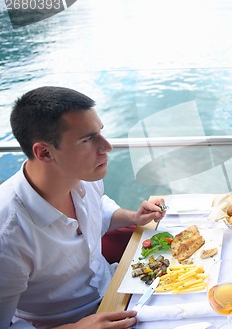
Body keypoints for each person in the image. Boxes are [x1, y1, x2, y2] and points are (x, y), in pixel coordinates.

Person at [0, 86, 167, 329]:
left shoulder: (84, 178)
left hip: (120, 290)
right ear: (45, 152)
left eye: (100, 133)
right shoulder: (8, 234)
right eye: (88, 139)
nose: (107, 146)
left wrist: (133, 216)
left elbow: (99, 208)